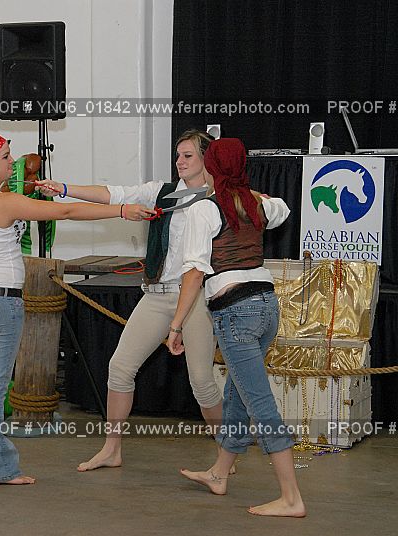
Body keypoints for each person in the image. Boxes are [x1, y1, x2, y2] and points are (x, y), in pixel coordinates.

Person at [0, 132, 146, 485]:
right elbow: (66, 210)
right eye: (5, 157)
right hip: (1, 302)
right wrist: (120, 210)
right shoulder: (3, 202)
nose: (13, 162)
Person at [37, 129, 225, 472]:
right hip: (157, 295)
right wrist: (63, 188)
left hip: (195, 298)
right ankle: (112, 449)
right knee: (120, 368)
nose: (179, 161)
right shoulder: (162, 192)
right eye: (178, 155)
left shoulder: (219, 198)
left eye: (188, 156)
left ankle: (227, 454)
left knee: (202, 382)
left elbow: (266, 208)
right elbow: (113, 193)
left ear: (206, 159)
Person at [167, 138, 305, 517]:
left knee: (258, 401)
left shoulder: (204, 209)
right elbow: (282, 208)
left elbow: (194, 273)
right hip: (267, 308)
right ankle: (219, 473)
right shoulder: (255, 204)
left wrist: (176, 325)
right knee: (237, 395)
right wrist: (247, 191)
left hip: (236, 313)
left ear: (211, 166)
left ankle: (291, 497)